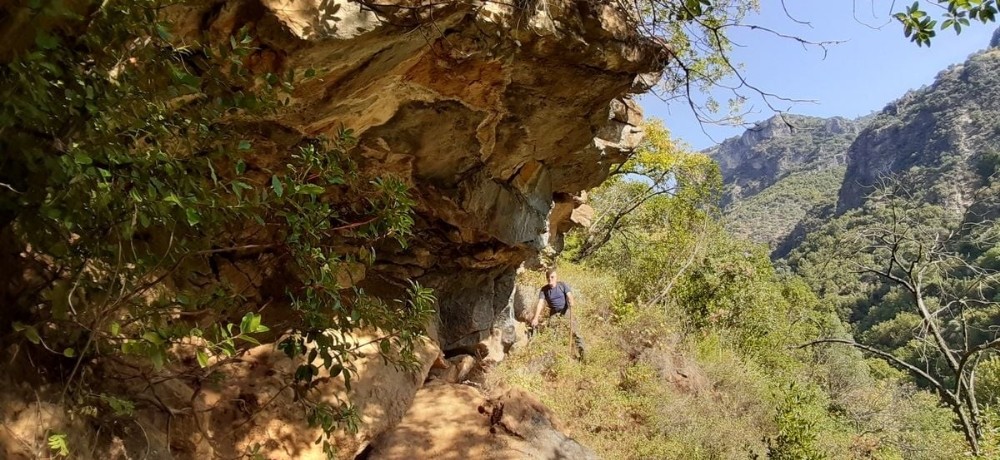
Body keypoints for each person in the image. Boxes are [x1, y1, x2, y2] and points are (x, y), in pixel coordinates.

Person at [531, 269, 586, 361]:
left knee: (575, 332)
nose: (550, 279)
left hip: (566, 311)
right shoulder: (544, 290)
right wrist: (535, 318)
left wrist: (571, 301)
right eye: (548, 277)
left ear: (556, 277)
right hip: (554, 313)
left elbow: (569, 295)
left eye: (552, 277)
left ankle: (583, 357)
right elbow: (540, 303)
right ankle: (555, 357)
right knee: (552, 334)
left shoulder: (562, 285)